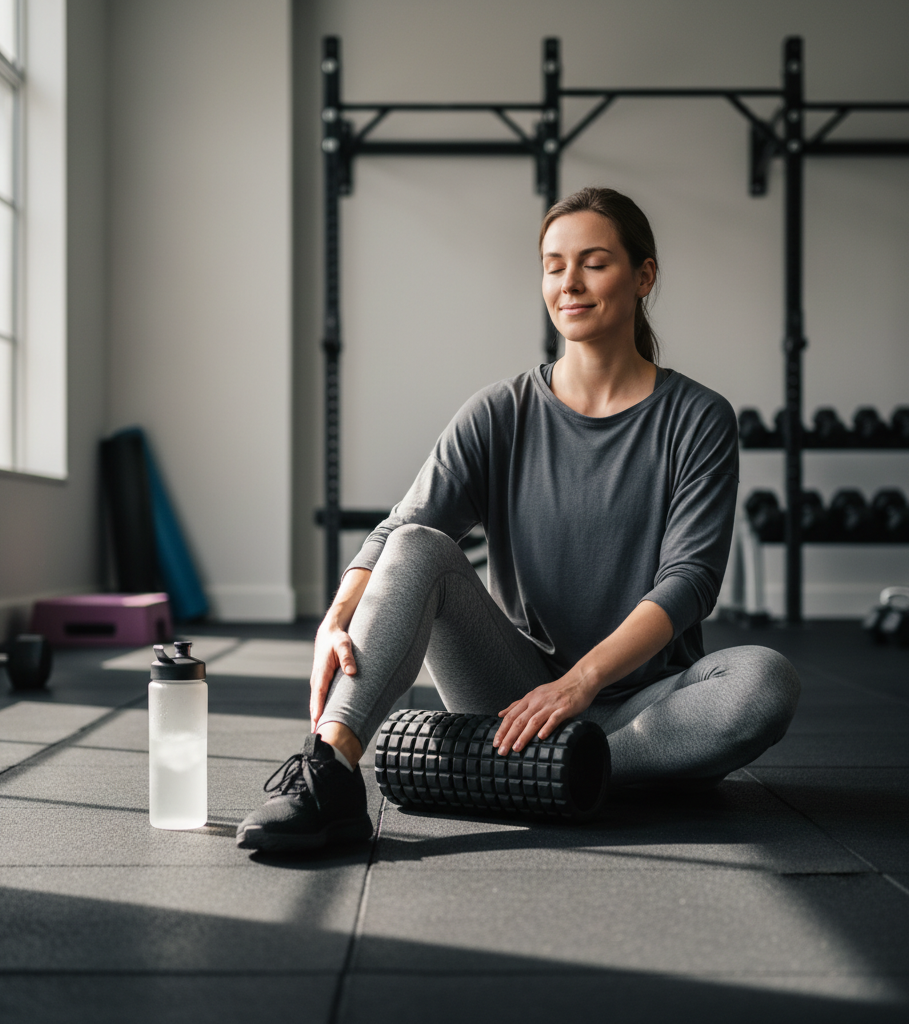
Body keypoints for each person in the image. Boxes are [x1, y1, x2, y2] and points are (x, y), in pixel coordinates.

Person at [237, 186, 801, 854]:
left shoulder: (698, 417)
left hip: (642, 705)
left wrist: (582, 683)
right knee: (420, 545)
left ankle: (569, 770)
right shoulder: (498, 413)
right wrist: (335, 620)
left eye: (594, 262)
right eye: (554, 264)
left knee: (764, 683)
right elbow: (399, 531)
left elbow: (690, 580)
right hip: (514, 700)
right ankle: (328, 774)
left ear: (643, 275)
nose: (570, 282)